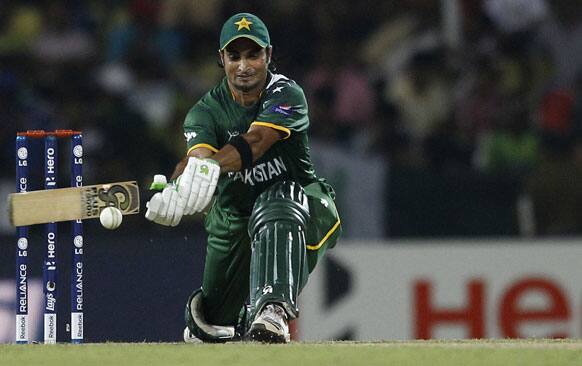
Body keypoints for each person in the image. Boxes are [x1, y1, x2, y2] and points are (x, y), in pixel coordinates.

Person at [144, 12, 341, 343]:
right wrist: (176, 188)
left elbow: (258, 140)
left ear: (269, 55)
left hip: (301, 210)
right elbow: (197, 159)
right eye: (234, 56)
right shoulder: (205, 112)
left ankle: (273, 310)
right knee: (209, 329)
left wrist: (211, 168)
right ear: (221, 59)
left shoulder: (287, 95)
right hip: (234, 220)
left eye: (253, 54)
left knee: (280, 197)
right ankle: (236, 319)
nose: (244, 65)